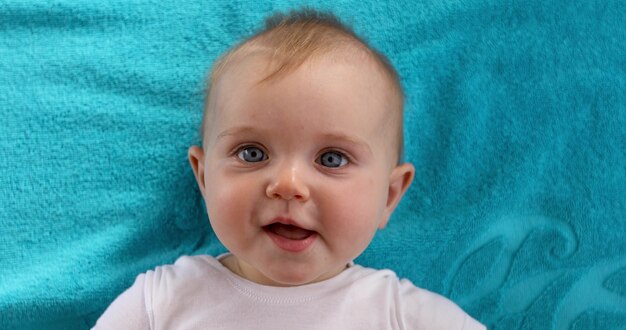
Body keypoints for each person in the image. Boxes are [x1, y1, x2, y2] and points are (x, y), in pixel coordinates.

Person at [93, 8, 485, 329]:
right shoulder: (160, 302)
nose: (287, 184)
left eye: (331, 159)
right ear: (204, 176)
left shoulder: (403, 315)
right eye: (251, 153)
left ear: (388, 195)